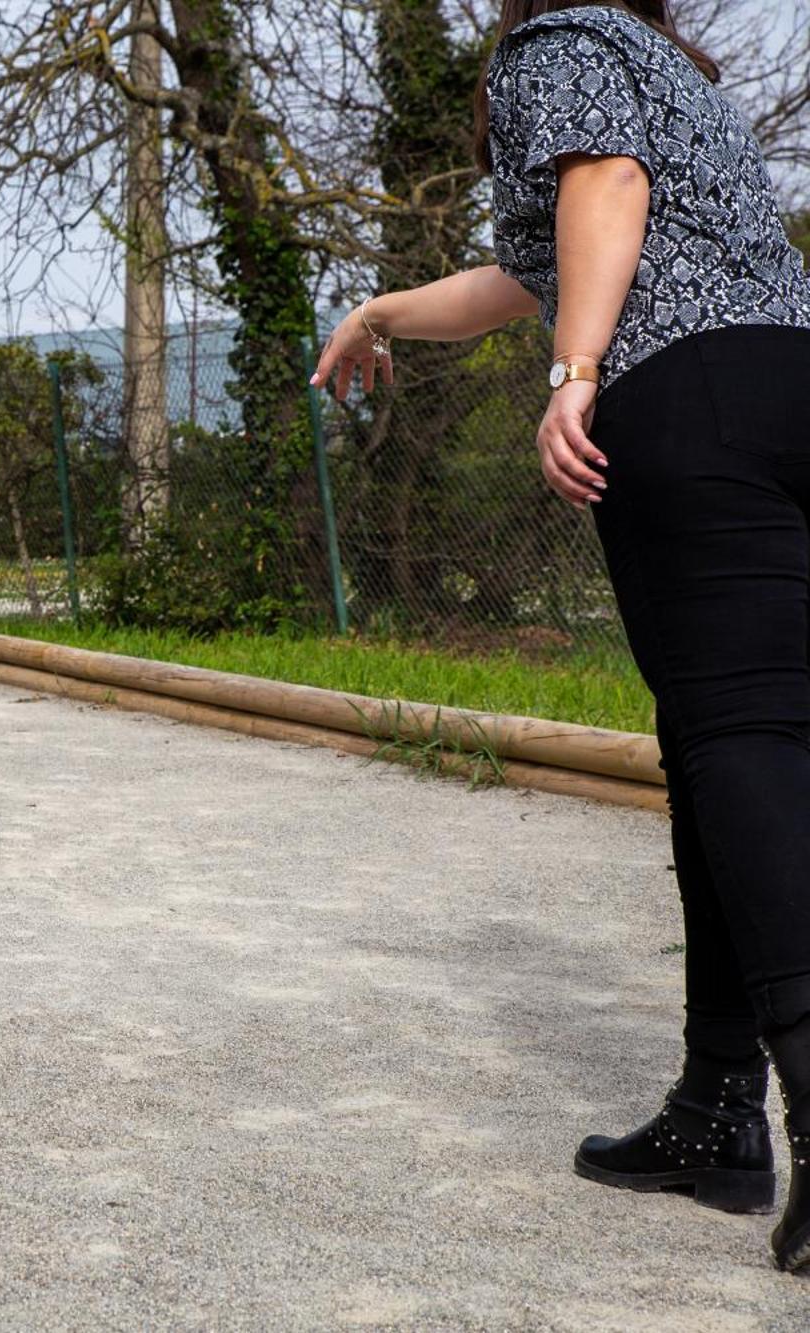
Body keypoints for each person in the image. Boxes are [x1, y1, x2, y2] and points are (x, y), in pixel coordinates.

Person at [311, 0, 810, 1273]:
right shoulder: (669, 67)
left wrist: (574, 372)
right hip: (780, 386)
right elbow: (528, 273)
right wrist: (378, 313)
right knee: (716, 744)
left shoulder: (560, 45)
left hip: (684, 398)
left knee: (741, 738)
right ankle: (715, 1113)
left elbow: (605, 187)